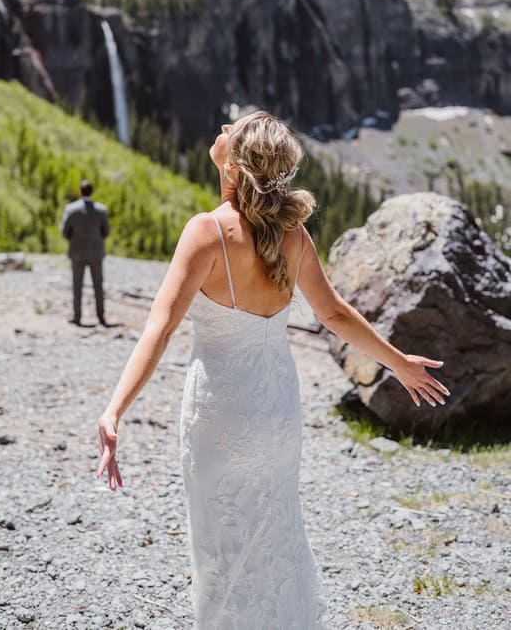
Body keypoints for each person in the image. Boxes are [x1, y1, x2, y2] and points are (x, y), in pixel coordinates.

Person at [95, 110, 449, 628]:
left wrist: (114, 410)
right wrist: (398, 364)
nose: (219, 130)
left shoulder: (205, 232)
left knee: (222, 545)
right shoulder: (293, 235)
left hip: (219, 412)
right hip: (277, 408)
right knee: (276, 535)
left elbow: (160, 327)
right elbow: (334, 314)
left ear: (236, 164)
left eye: (229, 132)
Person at [61, 179, 111, 327]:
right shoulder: (101, 210)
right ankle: (101, 317)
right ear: (92, 192)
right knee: (98, 285)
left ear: (79, 192)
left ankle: (77, 317)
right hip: (96, 252)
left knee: (77, 285)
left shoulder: (71, 209)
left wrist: (75, 240)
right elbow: (106, 231)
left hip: (77, 252)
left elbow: (65, 232)